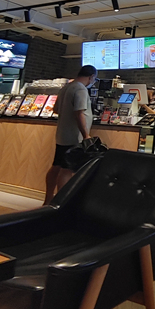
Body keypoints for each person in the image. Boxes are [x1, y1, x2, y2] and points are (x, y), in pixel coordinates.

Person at [43, 65, 98, 205]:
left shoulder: (66, 87)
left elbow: (56, 109)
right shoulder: (81, 89)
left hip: (62, 134)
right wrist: (86, 135)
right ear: (91, 77)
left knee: (56, 166)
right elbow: (79, 113)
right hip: (74, 136)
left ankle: (48, 199)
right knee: (66, 170)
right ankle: (61, 203)